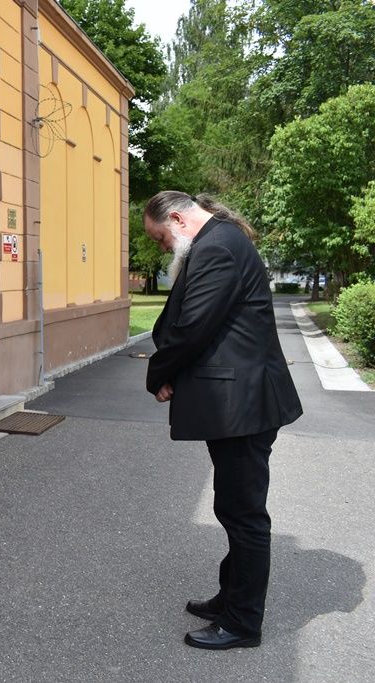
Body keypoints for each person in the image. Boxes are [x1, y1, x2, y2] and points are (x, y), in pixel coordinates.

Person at [143, 191, 303, 650]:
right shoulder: (220, 241)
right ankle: (230, 597)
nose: (162, 248)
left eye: (159, 238)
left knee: (244, 514)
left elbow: (194, 325)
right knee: (233, 507)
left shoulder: (216, 247)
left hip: (243, 406)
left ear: (176, 217)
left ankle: (242, 623)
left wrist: (160, 373)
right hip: (239, 403)